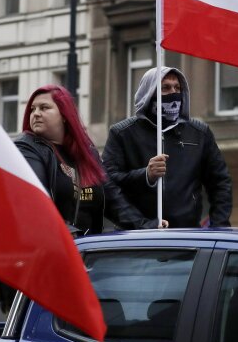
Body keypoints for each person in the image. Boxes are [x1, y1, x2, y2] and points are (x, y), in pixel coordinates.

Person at [15, 84, 166, 235]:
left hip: (89, 252)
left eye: (44, 108)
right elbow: (36, 204)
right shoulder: (27, 148)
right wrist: (72, 237)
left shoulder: (87, 153)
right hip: (56, 249)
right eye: (33, 109)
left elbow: (113, 200)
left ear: (65, 115)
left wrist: (147, 227)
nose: (36, 113)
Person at [102, 67, 232, 228]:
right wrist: (146, 176)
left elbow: (220, 184)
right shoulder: (122, 133)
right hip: (136, 238)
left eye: (177, 88)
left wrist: (219, 228)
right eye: (165, 88)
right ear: (149, 93)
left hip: (186, 236)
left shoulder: (199, 133)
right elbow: (108, 186)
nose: (173, 93)